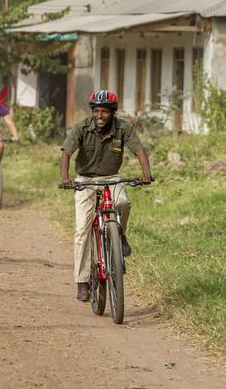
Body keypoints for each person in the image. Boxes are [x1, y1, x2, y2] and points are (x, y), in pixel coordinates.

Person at [60, 90, 152, 302]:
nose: (100, 115)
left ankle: (119, 237)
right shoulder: (82, 127)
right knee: (82, 229)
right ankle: (82, 281)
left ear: (112, 112)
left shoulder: (123, 128)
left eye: (104, 111)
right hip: (85, 180)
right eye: (96, 111)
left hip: (112, 177)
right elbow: (66, 153)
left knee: (123, 202)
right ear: (92, 112)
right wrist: (66, 178)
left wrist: (146, 173)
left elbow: (138, 150)